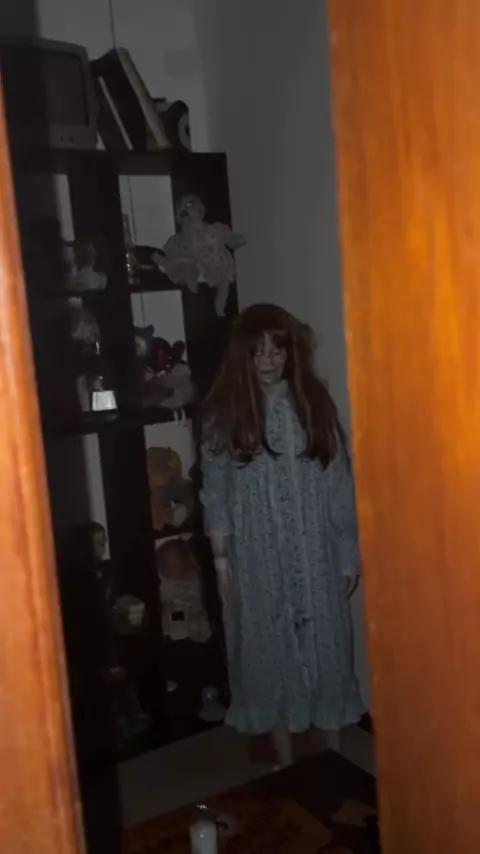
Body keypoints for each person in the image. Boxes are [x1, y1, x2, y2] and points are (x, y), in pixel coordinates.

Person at [200, 303, 364, 764]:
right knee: (269, 656)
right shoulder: (224, 416)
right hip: (257, 558)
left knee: (327, 655)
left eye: (277, 350)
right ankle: (284, 761)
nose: (268, 360)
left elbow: (338, 486)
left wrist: (347, 554)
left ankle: (332, 761)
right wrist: (222, 563)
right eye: (258, 352)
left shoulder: (314, 407)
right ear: (243, 357)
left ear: (291, 353)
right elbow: (215, 492)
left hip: (316, 554)